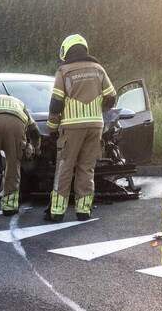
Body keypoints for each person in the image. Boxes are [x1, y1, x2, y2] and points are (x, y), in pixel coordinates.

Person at [46, 34, 116, 222]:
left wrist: (52, 128)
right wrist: (98, 111)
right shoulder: (98, 69)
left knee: (66, 166)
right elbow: (111, 97)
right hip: (95, 126)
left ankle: (57, 211)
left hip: (71, 127)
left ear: (66, 51)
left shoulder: (64, 70)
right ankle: (83, 210)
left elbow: (56, 103)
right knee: (87, 167)